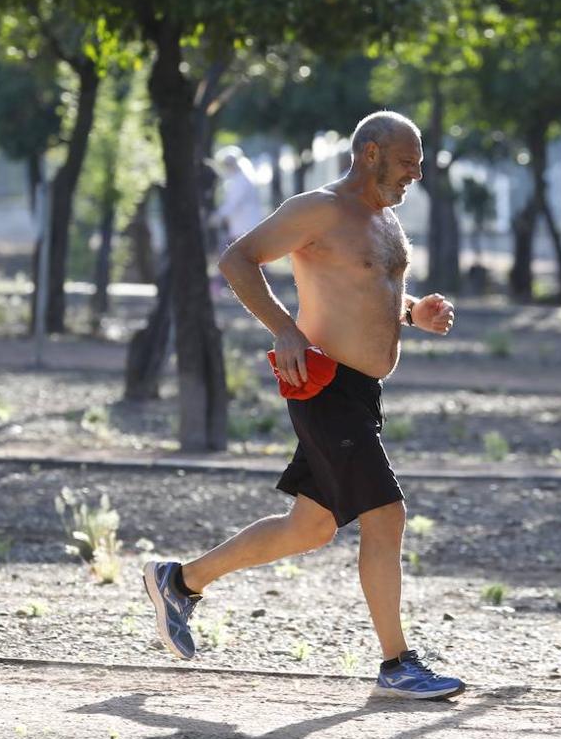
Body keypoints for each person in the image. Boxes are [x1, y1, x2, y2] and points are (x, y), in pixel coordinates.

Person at [143, 111, 465, 700]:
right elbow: (238, 259)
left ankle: (180, 581)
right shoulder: (317, 209)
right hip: (323, 386)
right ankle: (397, 663)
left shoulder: (384, 221)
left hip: (361, 395)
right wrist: (285, 330)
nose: (416, 172)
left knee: (311, 527)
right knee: (386, 514)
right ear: (370, 153)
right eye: (407, 160)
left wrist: (412, 312)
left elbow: (367, 295)